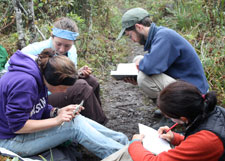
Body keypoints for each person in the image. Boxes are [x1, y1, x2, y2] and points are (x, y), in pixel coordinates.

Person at [0, 48, 129, 159]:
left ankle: (127, 145)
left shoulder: (41, 74)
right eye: (64, 87)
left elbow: (39, 109)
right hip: (9, 141)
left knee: (75, 119)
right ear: (54, 80)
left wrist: (57, 111)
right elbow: (18, 126)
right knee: (73, 126)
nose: (66, 91)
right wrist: (57, 120)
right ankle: (126, 158)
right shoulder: (25, 82)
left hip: (17, 135)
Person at [5, 17, 107, 125]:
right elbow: (8, 71)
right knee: (81, 87)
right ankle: (99, 126)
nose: (62, 49)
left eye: (67, 45)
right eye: (58, 44)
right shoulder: (34, 50)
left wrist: (77, 73)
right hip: (38, 98)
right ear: (52, 36)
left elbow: (61, 77)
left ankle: (91, 122)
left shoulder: (72, 51)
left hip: (56, 88)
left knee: (91, 81)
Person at [103, 81, 225, 161]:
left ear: (183, 118)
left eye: (168, 116)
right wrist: (175, 138)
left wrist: (134, 143)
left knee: (132, 152)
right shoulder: (212, 111)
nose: (169, 119)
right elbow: (198, 146)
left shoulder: (207, 139)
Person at [117, 8, 209, 99]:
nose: (132, 40)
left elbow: (150, 67)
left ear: (139, 27)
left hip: (195, 94)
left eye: (130, 35)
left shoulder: (164, 37)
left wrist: (139, 67)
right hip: (187, 86)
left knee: (143, 78)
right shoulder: (158, 35)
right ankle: (169, 108)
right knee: (138, 60)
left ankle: (177, 111)